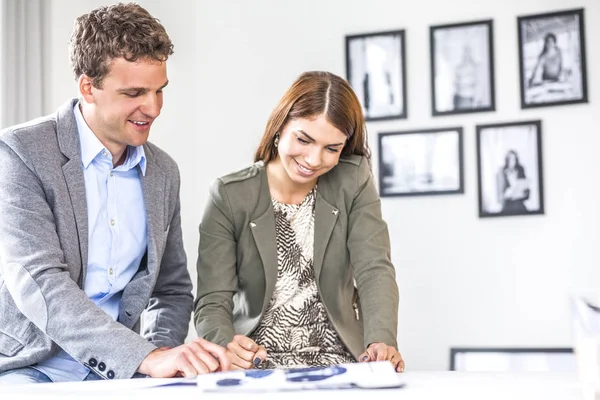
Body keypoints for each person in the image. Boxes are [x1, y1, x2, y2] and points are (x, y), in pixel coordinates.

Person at [0, 3, 228, 384]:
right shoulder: (20, 152)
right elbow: (39, 281)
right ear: (88, 87)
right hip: (30, 365)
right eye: (134, 92)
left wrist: (158, 359)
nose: (153, 108)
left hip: (120, 372)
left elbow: (171, 290)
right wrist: (145, 356)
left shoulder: (163, 171)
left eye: (159, 91)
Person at [195, 71, 404, 372]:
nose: (314, 159)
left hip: (342, 361)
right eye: (304, 140)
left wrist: (381, 341)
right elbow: (212, 299)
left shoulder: (353, 179)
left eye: (332, 148)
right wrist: (226, 346)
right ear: (280, 126)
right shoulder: (229, 195)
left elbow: (375, 268)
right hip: (255, 366)